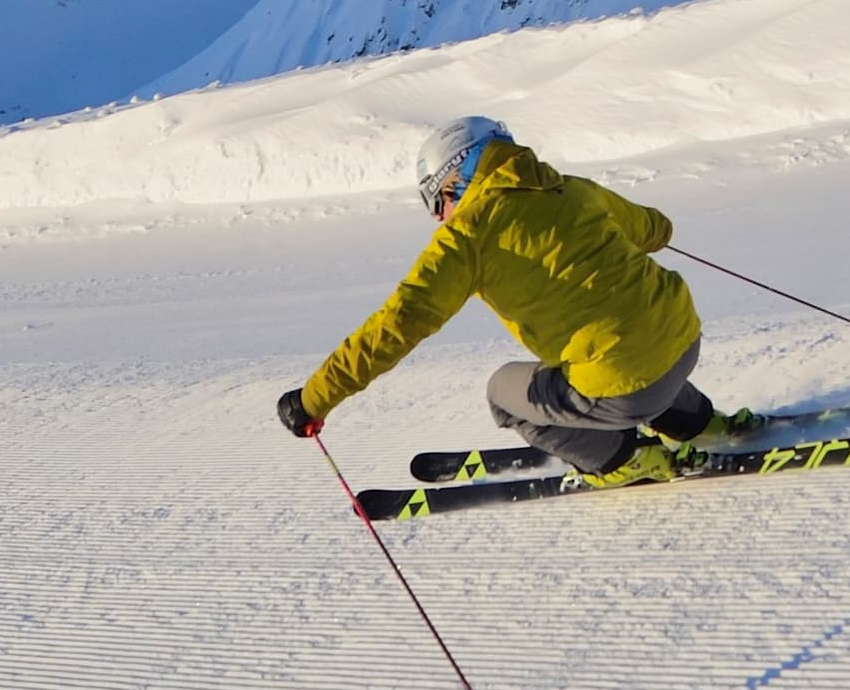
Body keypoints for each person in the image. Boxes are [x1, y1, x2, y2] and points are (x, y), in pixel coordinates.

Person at [275, 115, 720, 485]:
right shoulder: (571, 188)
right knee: (626, 333)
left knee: (503, 393)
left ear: (455, 180)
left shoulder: (465, 238)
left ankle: (621, 460)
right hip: (684, 340)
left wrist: (313, 400)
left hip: (628, 390)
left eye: (436, 202)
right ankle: (696, 422)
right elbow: (654, 229)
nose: (439, 217)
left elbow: (399, 323)